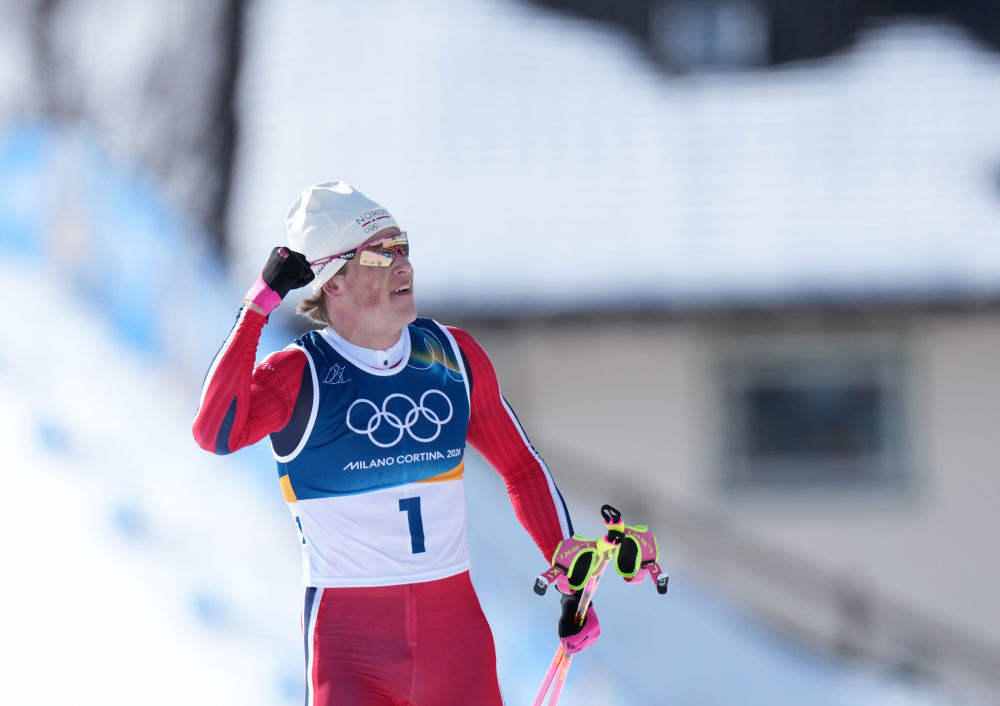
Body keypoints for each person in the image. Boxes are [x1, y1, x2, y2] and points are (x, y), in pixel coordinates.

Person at [192, 181, 599, 705]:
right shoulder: (299, 374)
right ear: (334, 281)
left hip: (456, 643)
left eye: (403, 247)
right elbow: (214, 432)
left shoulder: (450, 355)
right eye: (381, 254)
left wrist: (572, 579)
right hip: (350, 651)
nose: (404, 265)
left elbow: (520, 467)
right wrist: (258, 305)